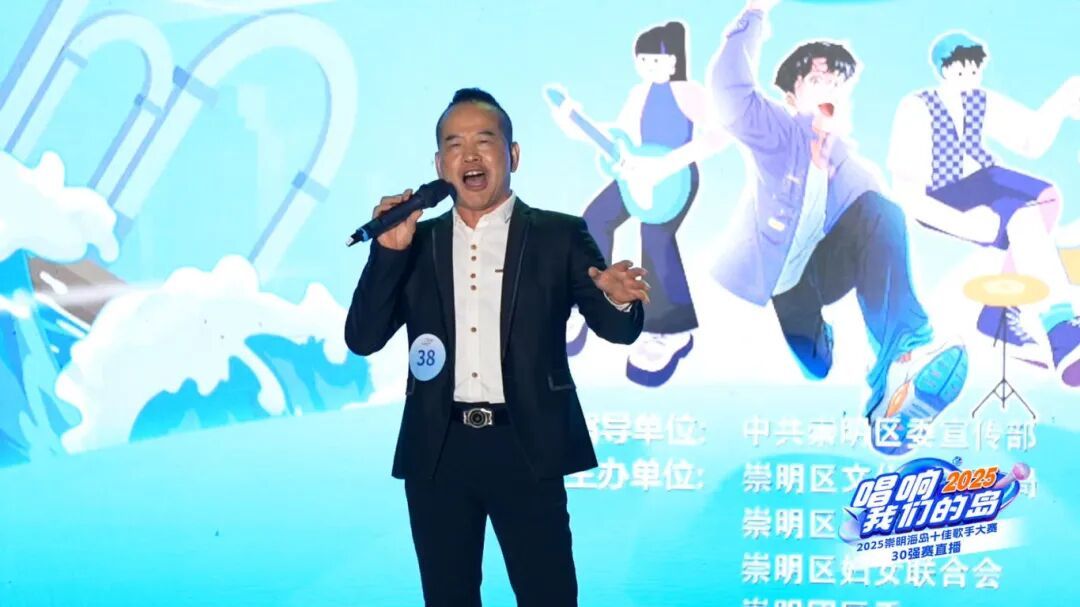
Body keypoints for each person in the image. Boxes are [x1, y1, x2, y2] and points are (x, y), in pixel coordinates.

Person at [344, 88, 648, 606]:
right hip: (438, 450)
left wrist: (618, 300)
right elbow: (363, 338)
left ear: (513, 154)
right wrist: (388, 255)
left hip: (526, 445)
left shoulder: (559, 235)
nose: (470, 155)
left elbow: (617, 330)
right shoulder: (416, 242)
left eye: (484, 141)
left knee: (548, 595)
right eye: (454, 144)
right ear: (439, 165)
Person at [707, 0, 968, 454]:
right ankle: (830, 347)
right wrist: (755, 13)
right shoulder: (779, 132)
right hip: (784, 282)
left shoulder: (849, 164)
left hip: (823, 266)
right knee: (818, 366)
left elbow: (882, 242)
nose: (828, 88)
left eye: (835, 82)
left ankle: (898, 362)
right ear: (793, 98)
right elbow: (730, 93)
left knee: (882, 212)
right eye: (816, 80)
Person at [886, 30, 1080, 386]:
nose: (969, 78)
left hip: (982, 179)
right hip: (941, 191)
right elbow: (905, 181)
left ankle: (1007, 316)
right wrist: (956, 220)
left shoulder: (981, 100)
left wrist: (1063, 100)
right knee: (1025, 217)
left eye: (974, 71)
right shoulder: (918, 106)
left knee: (1045, 199)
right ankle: (1057, 328)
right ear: (943, 70)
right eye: (960, 70)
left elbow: (1030, 139)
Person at [550, 20, 729, 387]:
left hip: (675, 178)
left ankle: (670, 328)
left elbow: (718, 135)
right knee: (594, 219)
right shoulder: (638, 93)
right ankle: (587, 299)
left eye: (655, 59)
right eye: (643, 60)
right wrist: (573, 123)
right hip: (637, 172)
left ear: (672, 60)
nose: (649, 66)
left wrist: (667, 164)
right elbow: (620, 137)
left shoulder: (689, 92)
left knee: (656, 237)